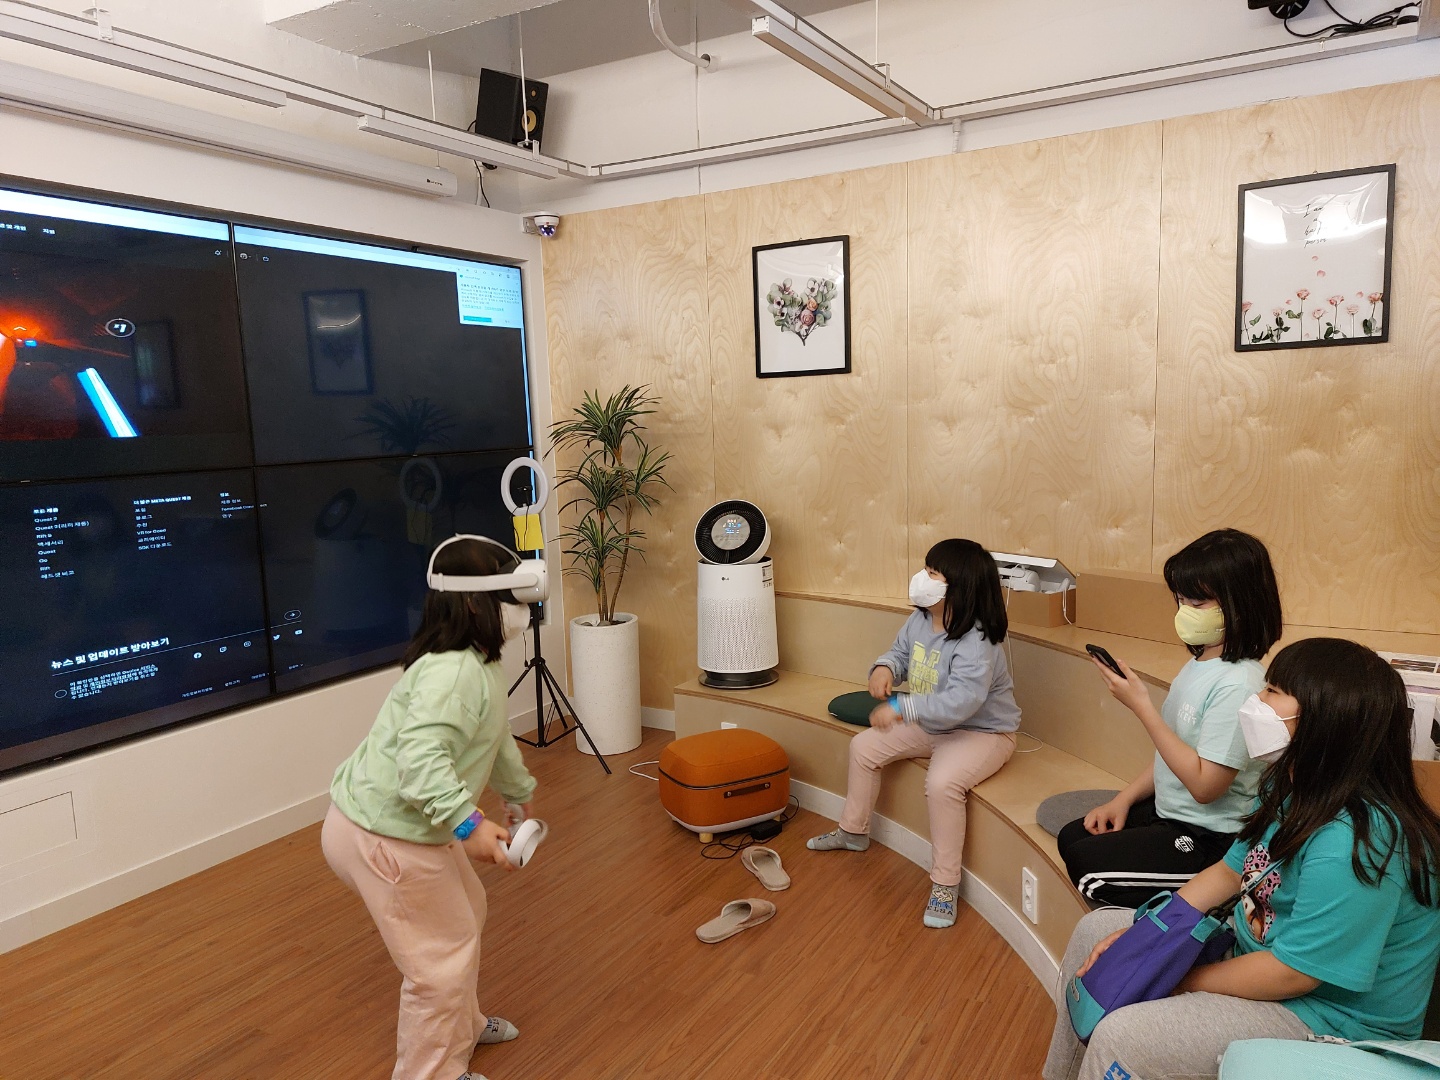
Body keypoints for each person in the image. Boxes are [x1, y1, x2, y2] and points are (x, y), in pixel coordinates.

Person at [1043, 637, 1440, 1080]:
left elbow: (1293, 974)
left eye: (1272, 691)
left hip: (1330, 1018)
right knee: (1094, 931)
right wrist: (1147, 940)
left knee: (1124, 1035)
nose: (1256, 700)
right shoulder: (1287, 785)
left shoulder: (1357, 842)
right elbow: (1228, 872)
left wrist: (1174, 974)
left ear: (1327, 720)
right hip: (1256, 954)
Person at [321, 537, 539, 1080]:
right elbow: (419, 764)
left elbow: (494, 737)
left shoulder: (480, 663)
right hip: (384, 836)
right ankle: (432, 1072)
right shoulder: (453, 672)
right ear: (474, 604)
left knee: (467, 915)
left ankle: (459, 1030)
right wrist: (469, 824)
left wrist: (516, 791)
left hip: (404, 827)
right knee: (438, 963)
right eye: (512, 598)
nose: (522, 610)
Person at [1058, 529, 1283, 907]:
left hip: (1212, 838)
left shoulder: (1240, 684)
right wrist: (1123, 799)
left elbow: (1205, 788)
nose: (1184, 611)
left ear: (1240, 604)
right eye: (1180, 600)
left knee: (1088, 868)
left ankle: (1212, 899)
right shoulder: (1203, 660)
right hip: (1170, 812)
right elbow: (1174, 752)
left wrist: (1143, 708)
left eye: (1197, 602)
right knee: (1073, 836)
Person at [807, 538, 1021, 928]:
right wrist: (885, 668)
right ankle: (853, 832)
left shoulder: (978, 640)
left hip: (982, 733)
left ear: (959, 586)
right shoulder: (921, 618)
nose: (922, 578)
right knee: (863, 748)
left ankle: (945, 884)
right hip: (931, 723)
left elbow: (962, 702)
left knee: (942, 784)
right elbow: (901, 653)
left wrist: (900, 708)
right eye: (926, 569)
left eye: (932, 573)